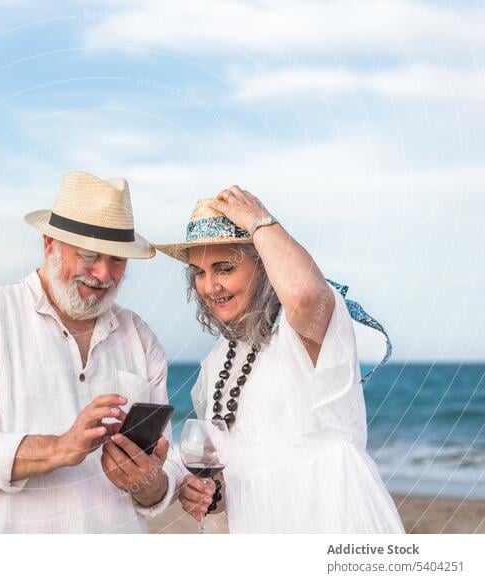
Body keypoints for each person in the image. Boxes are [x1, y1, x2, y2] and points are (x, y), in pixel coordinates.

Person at [0, 170, 180, 533]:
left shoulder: (140, 337)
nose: (104, 274)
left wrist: (148, 482)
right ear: (50, 245)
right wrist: (60, 448)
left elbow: (165, 470)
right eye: (90, 255)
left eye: (118, 260)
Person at [155, 186, 404, 533]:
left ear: (264, 264)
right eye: (199, 272)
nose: (210, 286)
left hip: (332, 521)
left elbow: (304, 293)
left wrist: (259, 223)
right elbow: (236, 472)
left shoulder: (305, 328)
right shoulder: (216, 363)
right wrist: (206, 493)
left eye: (224, 268)